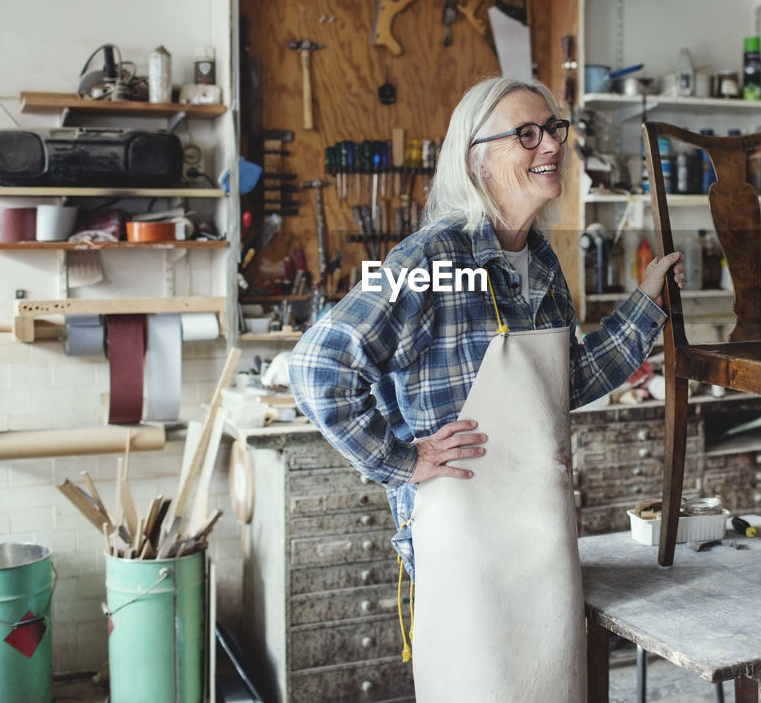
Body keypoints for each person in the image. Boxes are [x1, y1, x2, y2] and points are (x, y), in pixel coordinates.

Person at [289, 76, 683, 701]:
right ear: (476, 160)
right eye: (526, 134)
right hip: (463, 538)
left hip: (542, 535)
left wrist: (645, 305)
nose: (549, 143)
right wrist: (401, 460)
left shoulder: (542, 262)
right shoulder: (429, 258)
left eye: (553, 128)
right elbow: (316, 366)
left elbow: (563, 383)